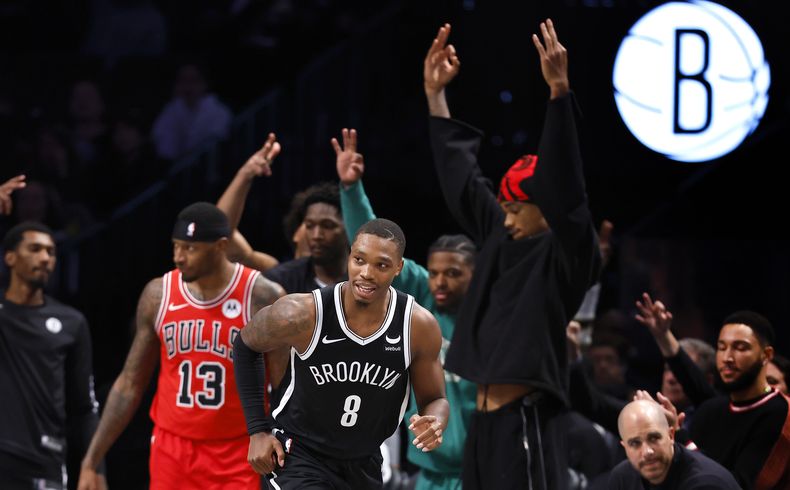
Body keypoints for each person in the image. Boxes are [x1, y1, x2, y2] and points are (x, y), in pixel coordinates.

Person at [424, 20, 601, 489]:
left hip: (525, 420)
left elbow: (567, 189)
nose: (505, 218)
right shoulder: (503, 236)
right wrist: (435, 96)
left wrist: (559, 93)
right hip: (481, 425)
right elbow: (463, 180)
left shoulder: (568, 255)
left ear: (546, 209)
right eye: (503, 208)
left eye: (516, 208)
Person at [77, 202, 284, 490]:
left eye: (190, 248)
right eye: (175, 246)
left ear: (220, 246)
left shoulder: (261, 295)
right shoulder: (158, 295)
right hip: (172, 449)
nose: (178, 257)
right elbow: (129, 383)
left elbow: (285, 386)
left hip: (237, 450)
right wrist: (92, 459)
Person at [233, 218, 449, 489]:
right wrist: (257, 430)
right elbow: (245, 345)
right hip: (300, 455)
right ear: (349, 257)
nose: (367, 273)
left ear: (399, 268)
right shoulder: (303, 313)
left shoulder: (418, 326)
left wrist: (435, 422)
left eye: (381, 265)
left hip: (364, 462)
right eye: (359, 260)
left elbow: (435, 398)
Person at [335, 128, 476, 489]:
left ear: (476, 277)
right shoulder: (421, 298)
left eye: (454, 274)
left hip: (481, 472)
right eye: (436, 273)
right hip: (426, 474)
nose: (440, 282)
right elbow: (374, 250)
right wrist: (352, 190)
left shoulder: (492, 317)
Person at [637, 298, 790, 489]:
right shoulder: (713, 409)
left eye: (740, 348)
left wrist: (681, 439)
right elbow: (695, 383)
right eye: (722, 347)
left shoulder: (780, 412)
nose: (727, 358)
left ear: (766, 355)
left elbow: (738, 485)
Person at [0, 221, 104, 489]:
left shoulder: (71, 323)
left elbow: (84, 407)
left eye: (51, 252)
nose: (46, 258)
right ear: (9, 257)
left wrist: (94, 466)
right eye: (35, 249)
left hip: (44, 462)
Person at [609, 400, 739, 489]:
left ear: (671, 435)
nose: (647, 451)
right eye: (635, 443)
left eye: (654, 438)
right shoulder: (622, 478)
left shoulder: (706, 484)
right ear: (625, 447)